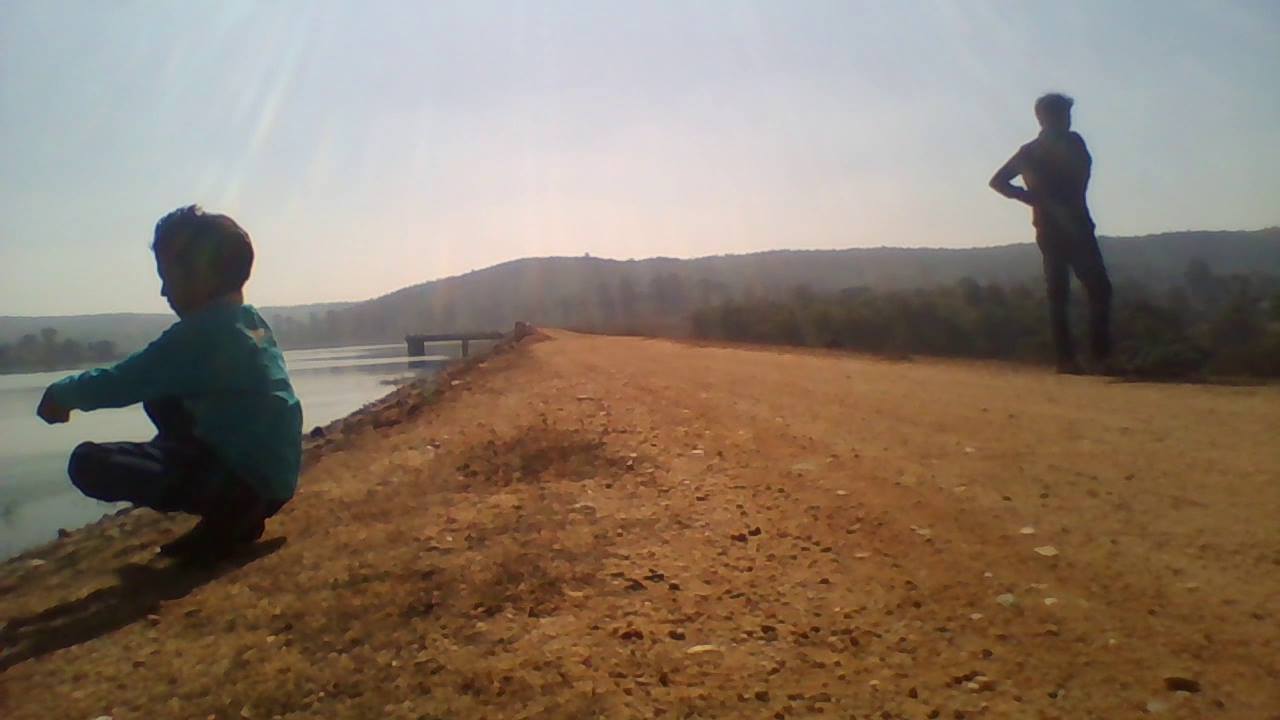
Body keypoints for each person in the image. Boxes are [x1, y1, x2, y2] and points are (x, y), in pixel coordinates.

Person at [36, 206, 303, 561]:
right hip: (275, 475)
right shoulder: (249, 321)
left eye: (167, 276)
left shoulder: (200, 335)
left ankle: (232, 509)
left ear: (201, 274)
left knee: (88, 462)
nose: (163, 291)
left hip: (248, 480)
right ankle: (228, 519)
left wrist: (62, 394)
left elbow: (124, 380)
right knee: (163, 397)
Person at [990, 93, 1113, 374]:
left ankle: (1069, 359)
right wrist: (1032, 197)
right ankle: (1097, 357)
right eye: (1064, 115)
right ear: (1048, 118)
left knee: (1062, 293)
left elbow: (998, 181)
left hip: (1051, 227)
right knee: (1095, 290)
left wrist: (1030, 197)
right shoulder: (1071, 143)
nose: (1068, 121)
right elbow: (997, 181)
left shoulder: (1031, 151)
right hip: (1075, 226)